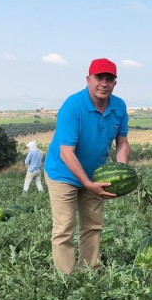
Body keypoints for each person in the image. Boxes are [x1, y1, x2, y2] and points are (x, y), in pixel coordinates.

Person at [44, 58, 130, 274]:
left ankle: (90, 272)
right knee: (64, 228)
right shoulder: (73, 106)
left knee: (93, 226)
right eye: (99, 77)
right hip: (63, 173)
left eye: (109, 79)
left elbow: (122, 142)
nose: (104, 83)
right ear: (88, 80)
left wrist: (121, 172)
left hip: (96, 174)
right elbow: (66, 152)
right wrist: (86, 183)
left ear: (115, 83)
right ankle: (67, 278)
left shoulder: (119, 106)